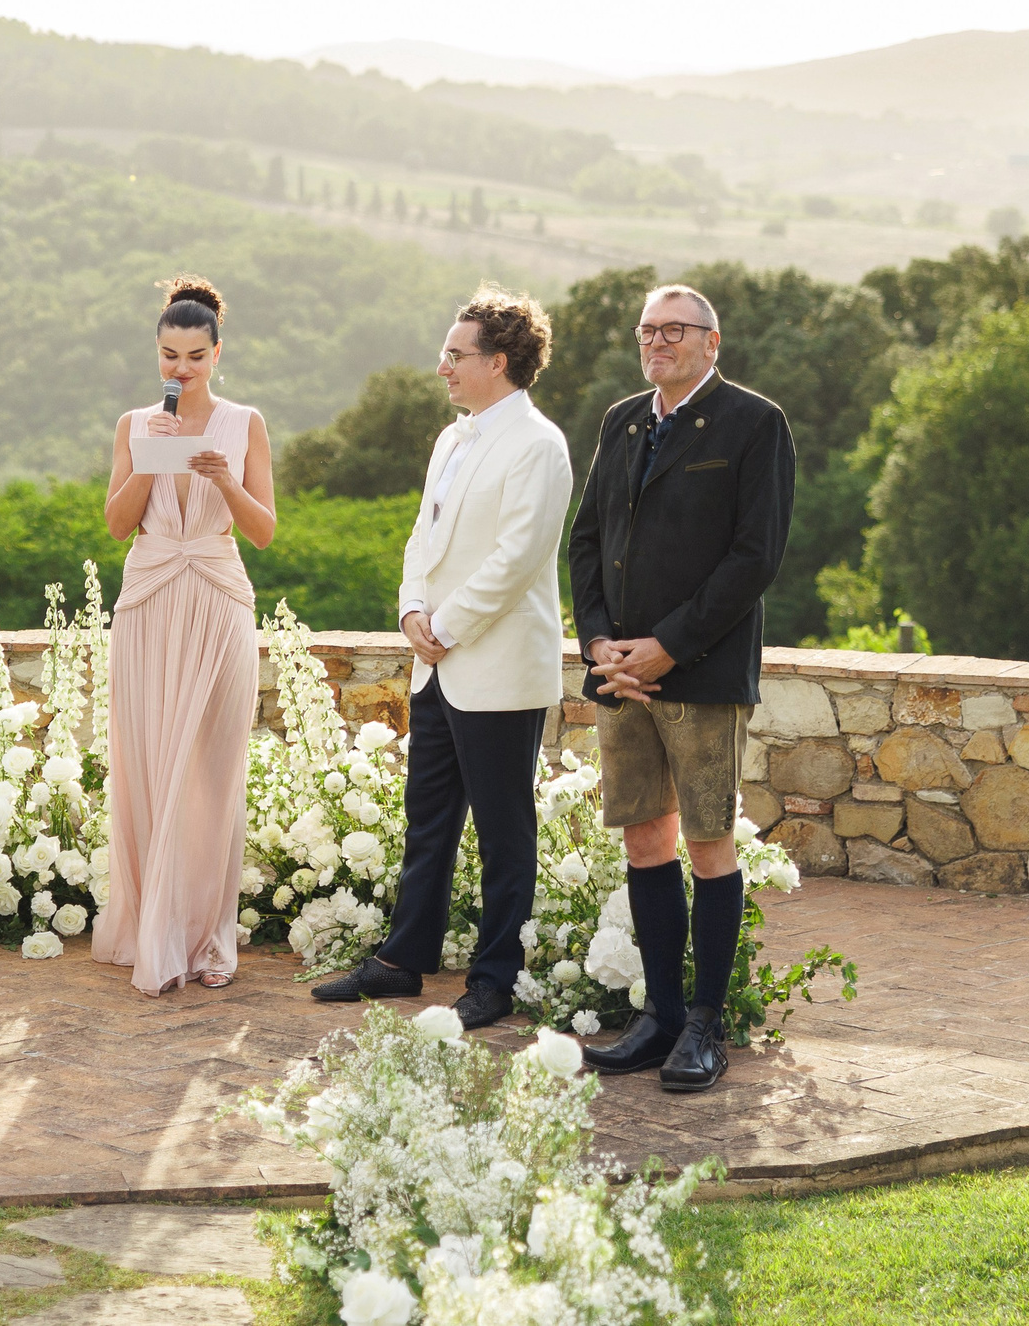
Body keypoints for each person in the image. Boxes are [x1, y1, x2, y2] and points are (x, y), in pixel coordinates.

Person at [310, 286, 572, 1029]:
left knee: (503, 830)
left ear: (500, 360)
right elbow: (421, 540)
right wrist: (411, 610)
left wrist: (446, 624)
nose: (442, 366)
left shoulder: (539, 444)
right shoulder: (450, 440)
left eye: (455, 354)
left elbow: (518, 556)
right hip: (437, 660)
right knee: (427, 819)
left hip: (495, 664)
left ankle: (496, 977)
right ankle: (401, 960)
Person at [568, 285, 794, 1093]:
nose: (656, 342)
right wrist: (600, 643)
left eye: (673, 330)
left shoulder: (754, 422)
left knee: (706, 841)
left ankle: (706, 1024)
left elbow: (754, 556)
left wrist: (666, 647)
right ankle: (659, 1015)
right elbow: (587, 538)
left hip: (698, 671)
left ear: (711, 340)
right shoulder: (623, 419)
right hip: (620, 675)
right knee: (643, 840)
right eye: (646, 331)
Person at [93, 275, 276, 995]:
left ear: (217, 353)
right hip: (149, 597)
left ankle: (204, 936)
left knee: (210, 768)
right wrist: (150, 457)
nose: (180, 370)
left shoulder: (246, 422)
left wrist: (222, 478)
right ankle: (151, 929)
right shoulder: (134, 424)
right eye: (169, 355)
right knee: (149, 764)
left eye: (195, 356)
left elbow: (262, 529)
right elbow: (115, 524)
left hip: (218, 596)